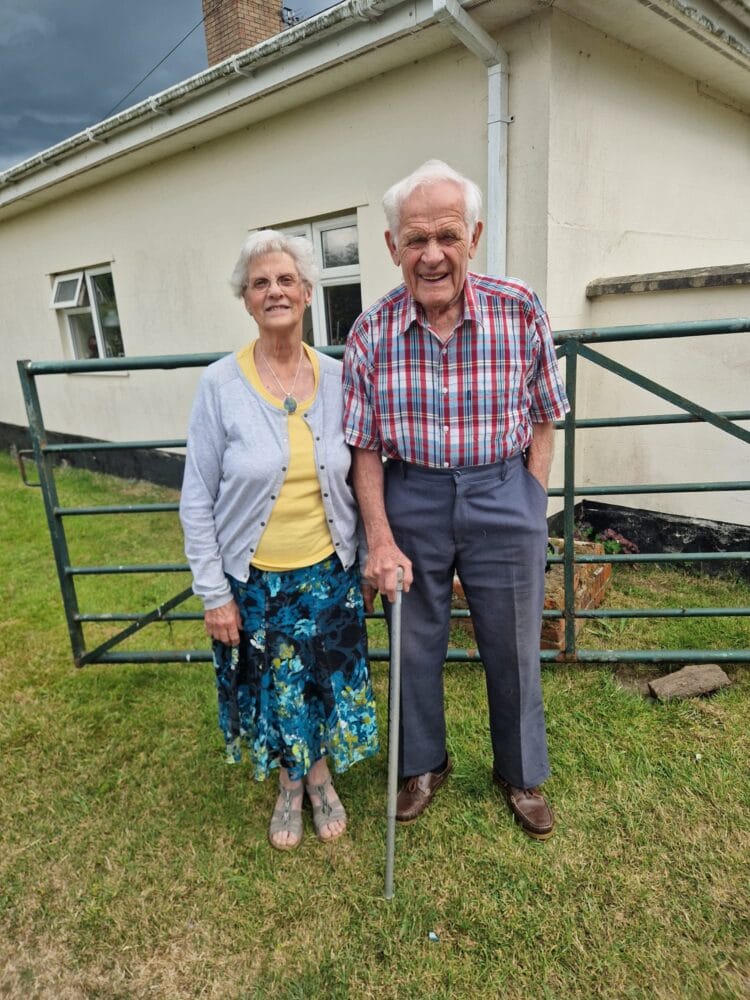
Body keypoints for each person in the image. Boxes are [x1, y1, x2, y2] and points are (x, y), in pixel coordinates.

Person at [342, 160, 569, 840]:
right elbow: (363, 448)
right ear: (393, 247)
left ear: (473, 237)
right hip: (411, 494)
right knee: (412, 644)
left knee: (514, 644)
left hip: (503, 490)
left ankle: (520, 772)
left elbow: (545, 413)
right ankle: (422, 765)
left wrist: (531, 497)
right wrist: (380, 538)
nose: (432, 254)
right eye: (416, 239)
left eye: (446, 235)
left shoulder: (518, 307)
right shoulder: (370, 332)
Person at [180, 230, 378, 851]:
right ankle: (296, 786)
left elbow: (365, 471)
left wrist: (369, 556)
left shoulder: (342, 377)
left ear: (308, 292)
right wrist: (214, 592)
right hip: (257, 580)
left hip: (330, 569)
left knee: (321, 683)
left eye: (286, 280)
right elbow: (196, 497)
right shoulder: (220, 385)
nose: (275, 292)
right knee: (279, 689)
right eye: (260, 283)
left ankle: (319, 775)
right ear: (245, 299)